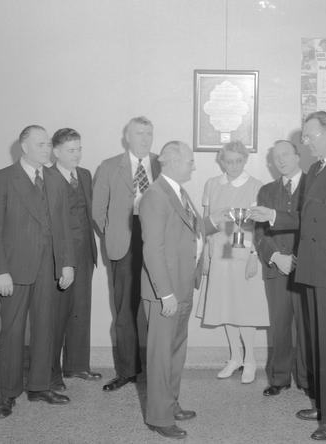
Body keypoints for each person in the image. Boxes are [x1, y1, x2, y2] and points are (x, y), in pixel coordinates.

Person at [250, 111, 326, 440]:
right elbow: (305, 216)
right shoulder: (317, 169)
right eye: (304, 137)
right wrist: (272, 213)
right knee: (316, 343)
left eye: (310, 136)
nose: (306, 142)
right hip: (312, 269)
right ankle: (323, 402)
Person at [0, 125, 74, 418]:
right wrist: (1, 271)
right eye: (40, 145)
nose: (46, 150)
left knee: (45, 329)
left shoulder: (56, 180)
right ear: (24, 147)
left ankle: (39, 386)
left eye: (48, 144)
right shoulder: (2, 179)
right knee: (12, 332)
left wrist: (67, 263)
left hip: (48, 270)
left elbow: (63, 228)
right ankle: (8, 394)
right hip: (15, 271)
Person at [139, 141, 220, 440]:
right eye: (190, 161)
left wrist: (215, 222)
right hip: (167, 292)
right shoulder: (155, 196)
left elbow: (192, 227)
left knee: (175, 352)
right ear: (171, 161)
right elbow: (153, 250)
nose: (193, 166)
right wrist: (165, 294)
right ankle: (158, 416)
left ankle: (170, 404)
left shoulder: (178, 191)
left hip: (184, 284)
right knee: (160, 355)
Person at [92, 116, 160, 392]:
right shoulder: (109, 167)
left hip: (156, 240)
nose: (145, 139)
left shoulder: (161, 163)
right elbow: (98, 210)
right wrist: (115, 233)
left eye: (149, 134)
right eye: (139, 133)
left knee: (157, 306)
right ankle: (128, 371)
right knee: (125, 310)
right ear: (127, 138)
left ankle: (156, 368)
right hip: (124, 242)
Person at [197, 140, 269, 384]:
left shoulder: (256, 186)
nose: (234, 165)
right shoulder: (212, 184)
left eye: (238, 160)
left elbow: (259, 227)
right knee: (225, 304)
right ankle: (235, 357)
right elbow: (207, 222)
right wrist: (205, 254)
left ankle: (250, 359)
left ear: (245, 160)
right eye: (229, 160)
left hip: (243, 250)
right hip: (220, 251)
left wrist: (254, 257)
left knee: (244, 307)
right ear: (221, 161)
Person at [254, 140, 309, 397]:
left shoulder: (315, 186)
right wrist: (276, 256)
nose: (281, 160)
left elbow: (317, 228)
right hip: (277, 269)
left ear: (298, 156)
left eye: (286, 154)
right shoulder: (266, 191)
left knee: (308, 327)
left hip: (308, 269)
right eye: (276, 158)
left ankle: (308, 379)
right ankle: (279, 378)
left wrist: (297, 259)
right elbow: (260, 234)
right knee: (280, 324)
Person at [49, 128, 101, 391]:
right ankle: (51, 373)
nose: (77, 154)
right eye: (71, 150)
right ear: (56, 152)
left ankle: (77, 365)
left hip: (85, 252)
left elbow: (90, 214)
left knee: (81, 310)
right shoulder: (47, 177)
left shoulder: (84, 175)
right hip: (59, 256)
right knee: (56, 314)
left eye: (79, 148)